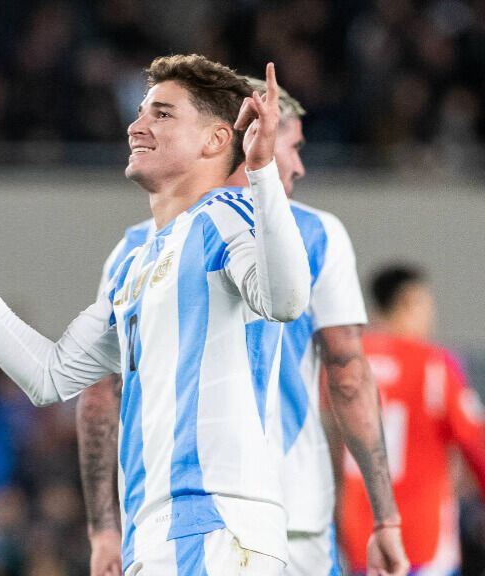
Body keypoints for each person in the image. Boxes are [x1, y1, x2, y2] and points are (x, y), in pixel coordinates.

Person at [0, 55, 310, 573]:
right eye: (141, 112)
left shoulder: (228, 217)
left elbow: (286, 299)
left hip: (219, 528)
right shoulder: (135, 265)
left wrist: (259, 174)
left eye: (162, 114)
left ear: (214, 140)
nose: (136, 125)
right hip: (152, 530)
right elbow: (49, 376)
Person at [76, 80, 410, 576]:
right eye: (291, 146)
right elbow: (346, 373)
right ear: (252, 140)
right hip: (289, 515)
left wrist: (105, 528)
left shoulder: (129, 251)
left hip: (168, 517)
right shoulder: (315, 234)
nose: (297, 166)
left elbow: (101, 395)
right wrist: (386, 518)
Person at [340, 264, 485, 575]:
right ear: (408, 302)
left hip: (361, 543)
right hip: (421, 542)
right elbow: (477, 445)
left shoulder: (345, 363)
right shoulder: (434, 365)